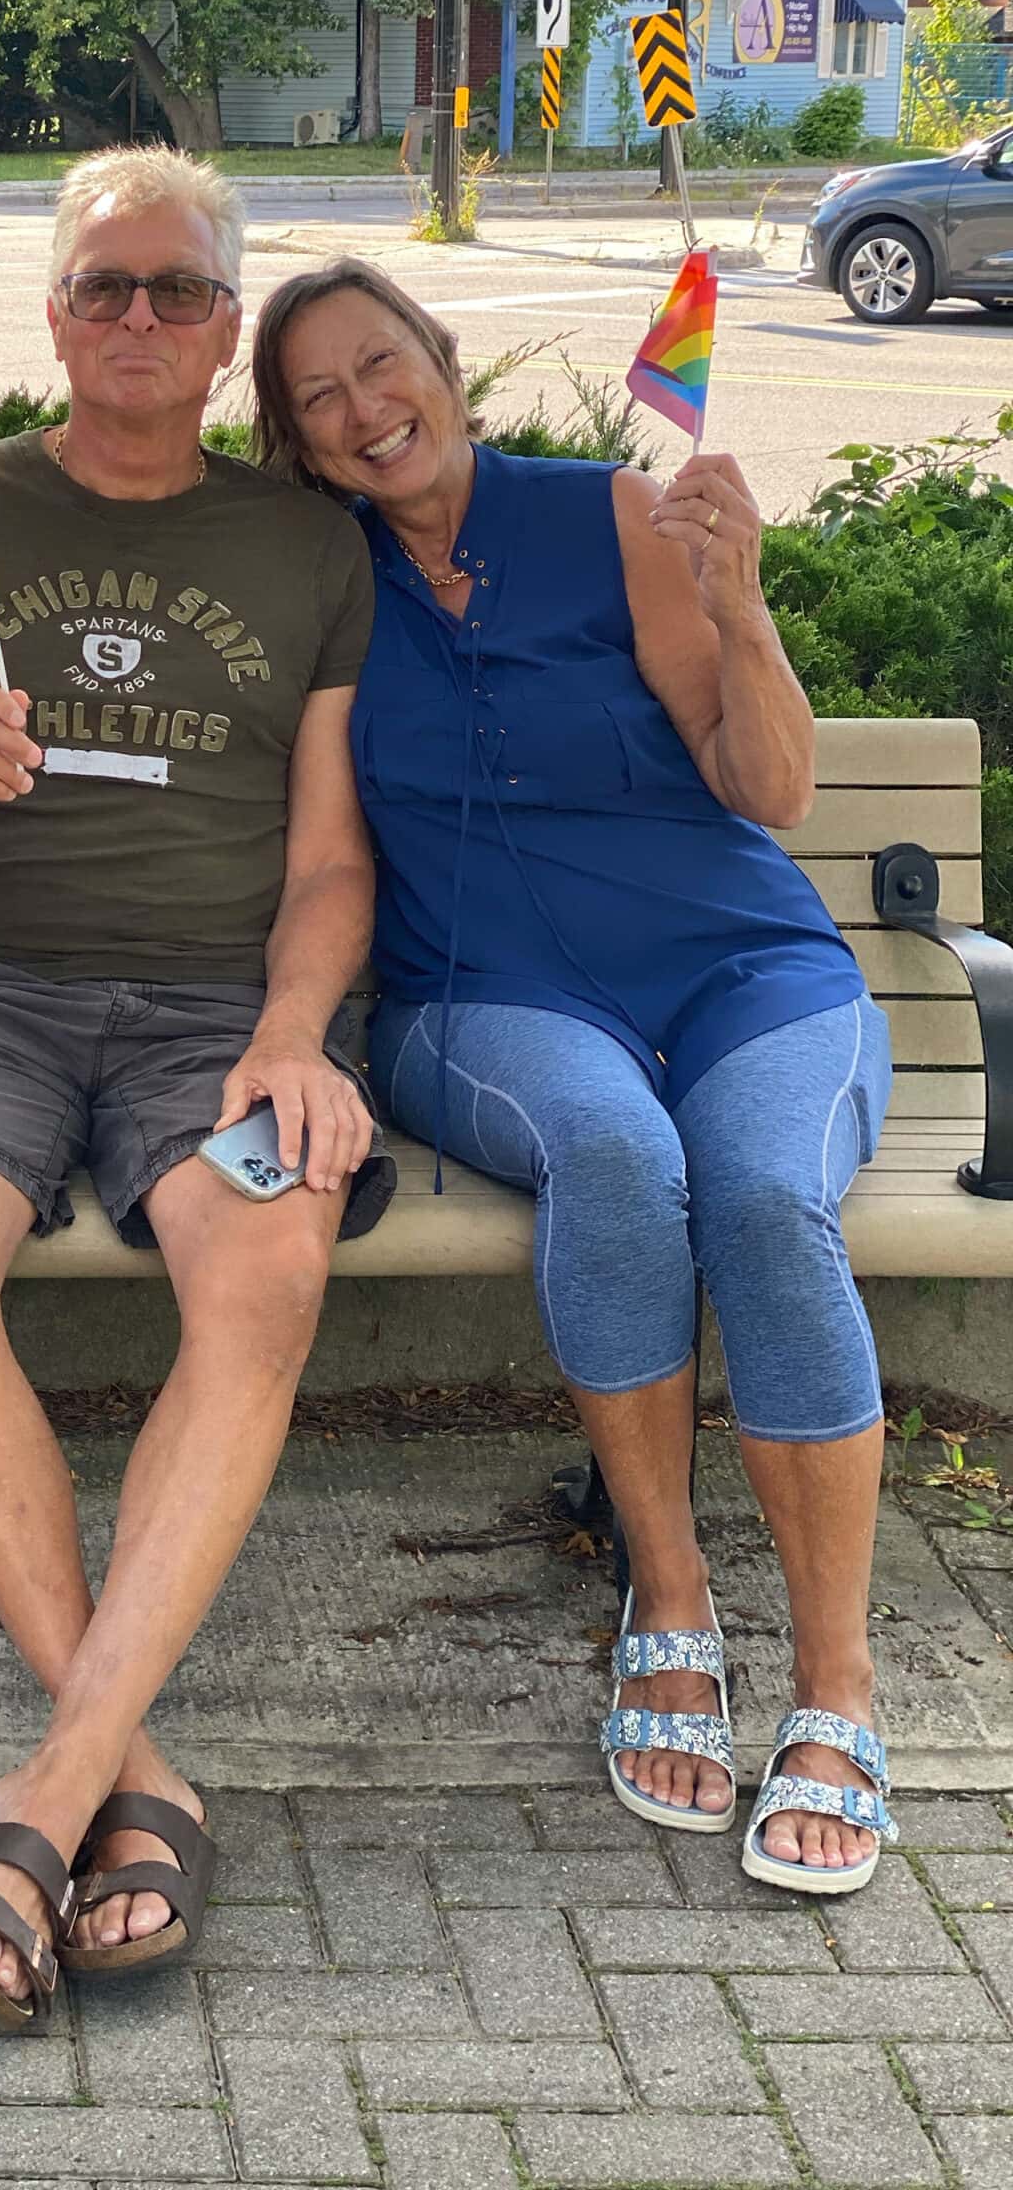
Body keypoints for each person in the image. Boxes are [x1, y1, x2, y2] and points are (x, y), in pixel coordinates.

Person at [0, 148, 394, 2032]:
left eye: (179, 293)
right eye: (104, 289)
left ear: (228, 333)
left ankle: (46, 1791)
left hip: (214, 1008)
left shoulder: (305, 546)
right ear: (53, 314)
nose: (139, 319)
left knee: (270, 1261)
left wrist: (292, 1034)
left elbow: (327, 860)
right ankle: (124, 1773)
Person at [251, 256, 898, 1896]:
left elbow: (771, 790)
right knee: (617, 1157)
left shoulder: (616, 514)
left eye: (379, 363)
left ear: (442, 362)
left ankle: (841, 1688)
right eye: (318, 396)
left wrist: (742, 603)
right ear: (298, 443)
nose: (361, 408)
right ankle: (669, 1601)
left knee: (759, 1191)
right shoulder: (318, 580)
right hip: (487, 995)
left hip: (743, 966)